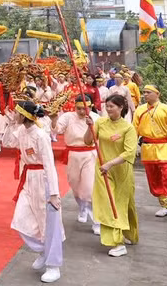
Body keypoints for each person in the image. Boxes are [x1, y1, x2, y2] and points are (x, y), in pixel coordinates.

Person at [3, 101, 64, 284]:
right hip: (28, 178)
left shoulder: (41, 135)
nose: (15, 114)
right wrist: (11, 123)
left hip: (43, 179)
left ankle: (54, 265)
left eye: (17, 113)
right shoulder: (22, 130)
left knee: (49, 222)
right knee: (21, 219)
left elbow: (49, 164)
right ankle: (43, 250)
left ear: (25, 115)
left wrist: (53, 192)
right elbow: (7, 142)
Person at [83, 93, 138, 257]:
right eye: (106, 106)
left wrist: (111, 163)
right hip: (103, 170)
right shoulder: (100, 122)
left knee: (124, 205)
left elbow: (129, 153)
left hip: (121, 170)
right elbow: (88, 141)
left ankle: (129, 234)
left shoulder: (128, 128)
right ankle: (117, 242)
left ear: (121, 108)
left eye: (111, 107)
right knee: (109, 204)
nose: (108, 109)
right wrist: (89, 127)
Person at [133, 84, 167, 223]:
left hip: (165, 148)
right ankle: (164, 206)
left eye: (148, 92)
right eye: (144, 92)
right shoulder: (140, 110)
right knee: (154, 178)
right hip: (147, 148)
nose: (145, 95)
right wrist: (131, 148)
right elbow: (134, 130)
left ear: (157, 94)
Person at [56, 95, 100, 235]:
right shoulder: (68, 117)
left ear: (91, 106)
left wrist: (91, 125)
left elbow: (100, 136)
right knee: (74, 185)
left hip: (90, 154)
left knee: (89, 188)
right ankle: (82, 207)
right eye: (79, 108)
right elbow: (57, 129)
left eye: (84, 108)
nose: (81, 111)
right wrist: (52, 119)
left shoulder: (96, 118)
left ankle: (97, 221)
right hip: (73, 154)